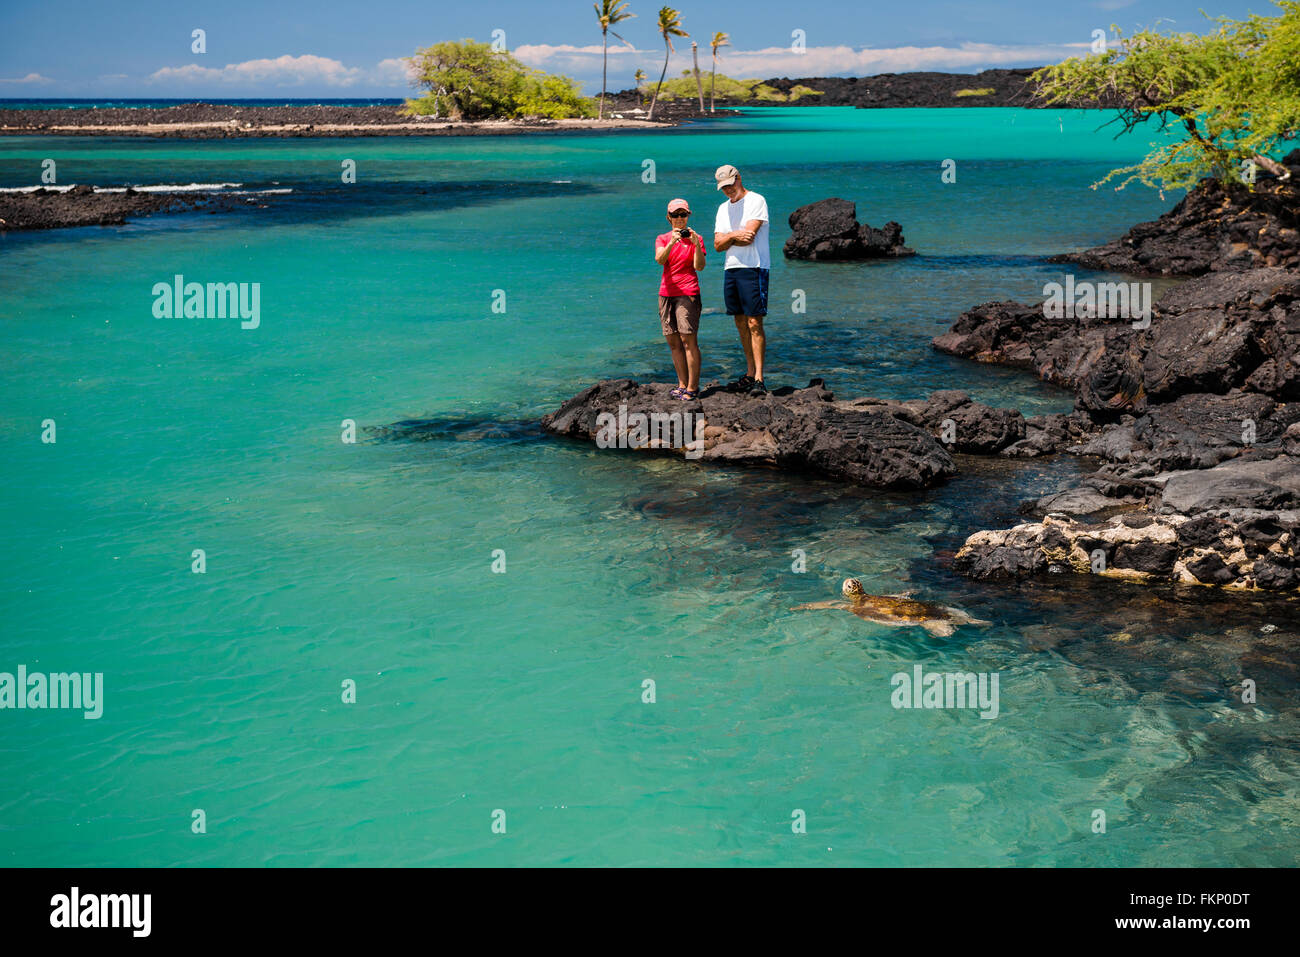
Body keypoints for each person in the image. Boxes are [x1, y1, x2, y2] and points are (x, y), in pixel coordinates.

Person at [712, 164, 770, 395]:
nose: (727, 190)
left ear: (738, 178)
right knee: (739, 322)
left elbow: (750, 238)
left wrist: (728, 237)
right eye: (723, 187)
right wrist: (735, 235)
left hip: (754, 267)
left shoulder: (756, 201)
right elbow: (717, 245)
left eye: (730, 184)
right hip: (732, 268)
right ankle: (749, 373)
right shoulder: (722, 209)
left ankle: (759, 378)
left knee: (755, 322)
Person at [654, 198, 707, 400]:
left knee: (688, 340)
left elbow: (699, 266)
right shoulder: (662, 238)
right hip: (666, 293)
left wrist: (694, 244)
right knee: (673, 342)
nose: (679, 219)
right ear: (669, 218)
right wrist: (672, 242)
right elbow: (660, 259)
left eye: (682, 214)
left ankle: (693, 387)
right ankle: (682, 384)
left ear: (688, 216)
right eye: (675, 215)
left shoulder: (697, 238)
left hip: (687, 293)